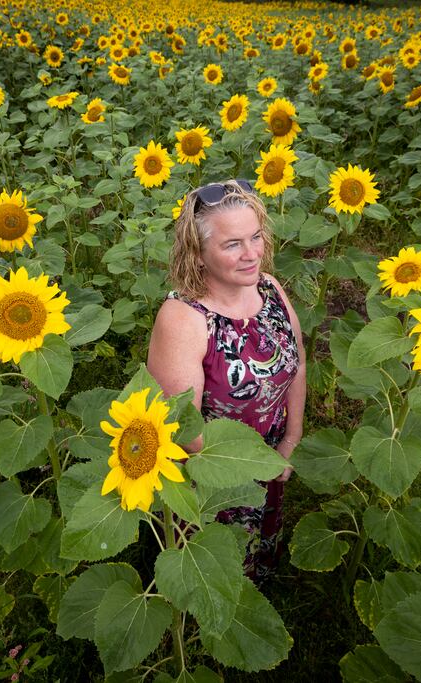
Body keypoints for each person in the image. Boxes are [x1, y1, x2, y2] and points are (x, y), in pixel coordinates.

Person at [147, 178, 306, 583]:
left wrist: (289, 440)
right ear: (198, 254)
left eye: (255, 237)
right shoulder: (184, 319)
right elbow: (183, 428)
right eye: (232, 244)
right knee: (216, 569)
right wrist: (250, 469)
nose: (252, 254)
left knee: (259, 556)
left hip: (268, 460)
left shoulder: (269, 290)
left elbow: (298, 363)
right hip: (214, 479)